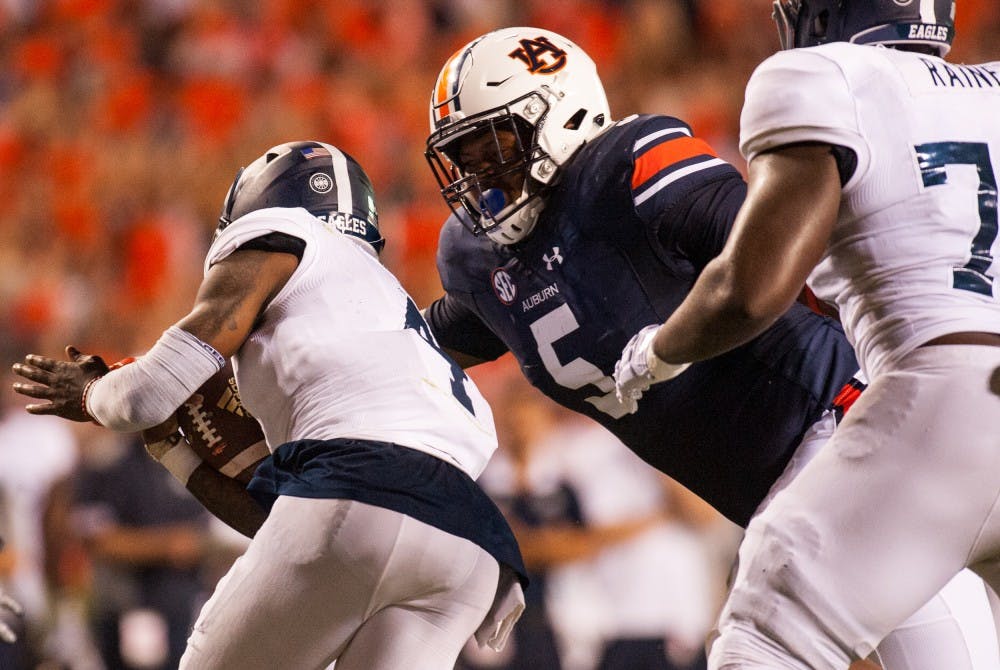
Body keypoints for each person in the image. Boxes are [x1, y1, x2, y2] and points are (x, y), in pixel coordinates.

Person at [422, 26, 999, 669]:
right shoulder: (474, 260)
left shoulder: (630, 169)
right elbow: (434, 340)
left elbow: (778, 262)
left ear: (561, 116)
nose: (481, 177)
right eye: (465, 158)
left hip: (840, 425)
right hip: (774, 485)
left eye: (495, 147)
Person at [11, 140, 526, 670]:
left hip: (359, 499)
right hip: (472, 546)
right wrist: (171, 448)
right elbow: (281, 519)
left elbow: (149, 392)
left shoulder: (286, 236)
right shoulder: (386, 319)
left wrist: (91, 393)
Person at [610, 1, 1000, 668]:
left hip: (936, 391)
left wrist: (659, 349)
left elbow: (753, 289)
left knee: (765, 641)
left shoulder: (826, 76)